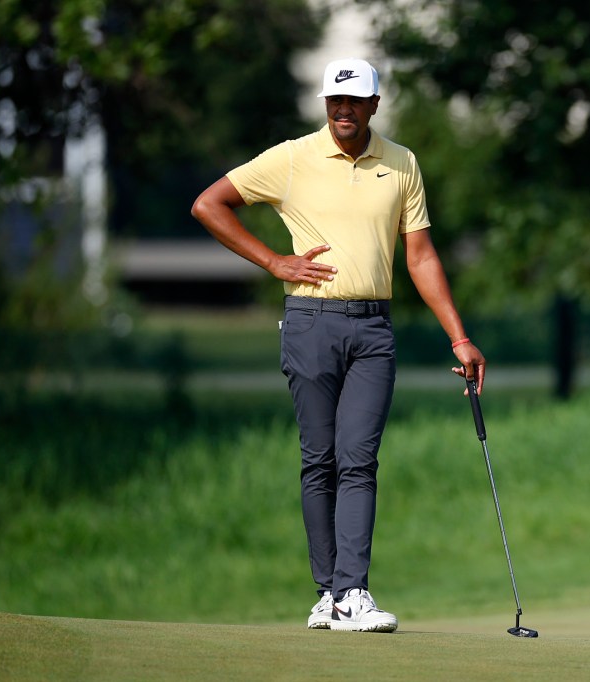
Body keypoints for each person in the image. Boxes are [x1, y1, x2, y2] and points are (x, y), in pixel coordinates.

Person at [191, 57, 485, 633]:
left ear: (375, 104)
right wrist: (274, 260)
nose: (343, 110)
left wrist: (461, 336)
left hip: (373, 329)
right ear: (325, 104)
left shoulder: (401, 163)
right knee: (318, 459)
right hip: (310, 322)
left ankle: (352, 589)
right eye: (334, 100)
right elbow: (209, 204)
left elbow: (420, 256)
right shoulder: (294, 158)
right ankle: (327, 593)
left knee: (359, 459)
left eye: (354, 101)